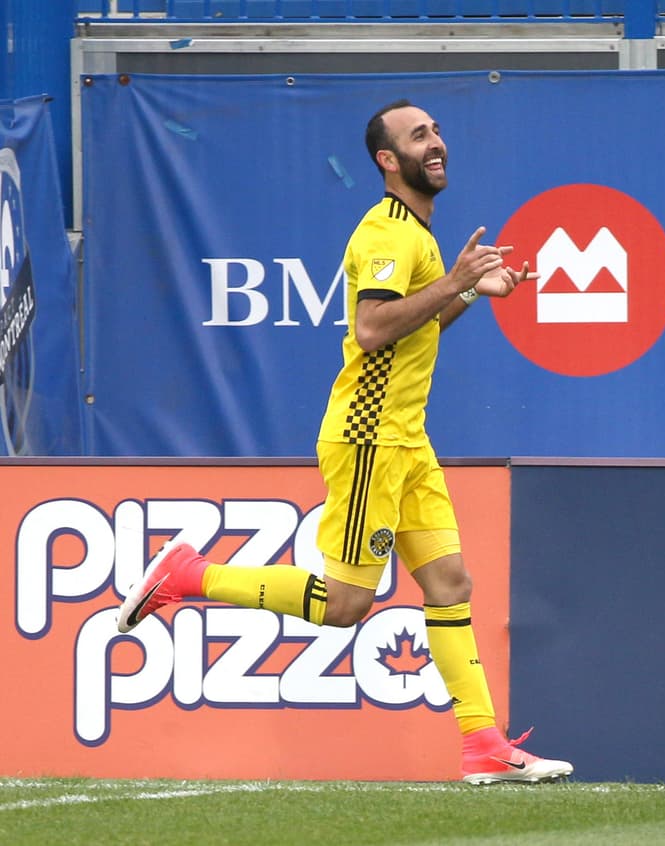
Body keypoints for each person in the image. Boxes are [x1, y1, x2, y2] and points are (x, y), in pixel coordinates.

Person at [117, 99, 572, 786]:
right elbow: (371, 330)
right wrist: (455, 280)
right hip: (370, 438)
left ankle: (483, 745)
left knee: (450, 583)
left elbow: (411, 327)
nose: (436, 142)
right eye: (419, 136)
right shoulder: (389, 233)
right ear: (389, 161)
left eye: (438, 131)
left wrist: (470, 293)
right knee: (346, 606)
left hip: (406, 439)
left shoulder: (418, 232)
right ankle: (188, 575)